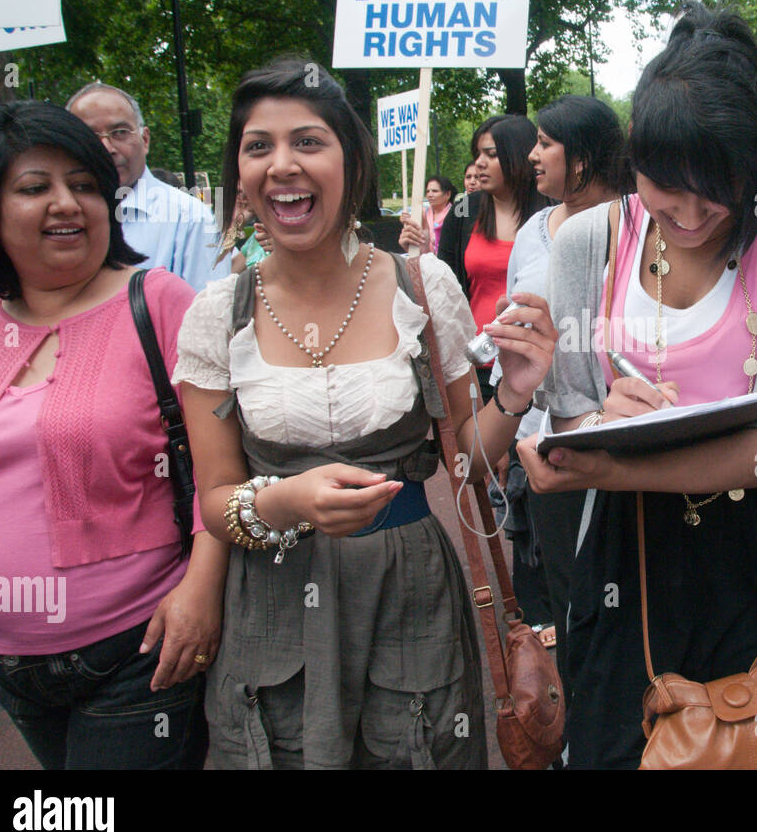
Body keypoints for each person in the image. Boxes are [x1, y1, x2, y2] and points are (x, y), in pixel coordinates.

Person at [517, 3, 757, 769]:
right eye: (663, 186)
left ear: (754, 165)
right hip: (623, 558)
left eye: (715, 189)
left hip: (753, 553)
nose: (687, 215)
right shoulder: (589, 240)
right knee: (619, 745)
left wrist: (609, 461)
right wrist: (585, 426)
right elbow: (573, 424)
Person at [172, 58, 557, 770]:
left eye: (308, 142)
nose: (282, 165)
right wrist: (285, 500)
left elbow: (467, 458)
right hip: (273, 605)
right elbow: (217, 496)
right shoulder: (213, 315)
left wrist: (515, 392)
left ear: (352, 160)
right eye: (259, 146)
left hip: (409, 598)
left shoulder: (421, 284)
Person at [0, 101, 218, 769]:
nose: (66, 203)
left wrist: (201, 589)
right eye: (34, 187)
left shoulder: (157, 302)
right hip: (5, 659)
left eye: (83, 185)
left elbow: (221, 469)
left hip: (137, 654)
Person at [487, 95, 632, 693]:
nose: (533, 154)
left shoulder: (638, 224)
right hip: (540, 444)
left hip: (620, 442)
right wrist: (506, 415)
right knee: (563, 600)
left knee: (620, 601)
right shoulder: (531, 230)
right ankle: (574, 733)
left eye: (547, 142)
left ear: (585, 157)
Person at [66, 83, 229, 292]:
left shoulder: (190, 218)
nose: (106, 148)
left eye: (120, 132)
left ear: (145, 140)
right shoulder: (57, 219)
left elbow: (209, 316)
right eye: (90, 136)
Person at [433, 115, 550, 401]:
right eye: (477, 155)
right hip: (477, 363)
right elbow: (447, 290)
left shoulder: (553, 214)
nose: (479, 164)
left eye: (492, 154)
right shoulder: (462, 214)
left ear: (521, 156)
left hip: (536, 362)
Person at [396, 175, 457, 254]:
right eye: (428, 191)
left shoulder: (455, 216)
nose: (430, 195)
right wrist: (408, 222)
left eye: (435, 191)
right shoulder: (423, 214)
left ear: (448, 194)